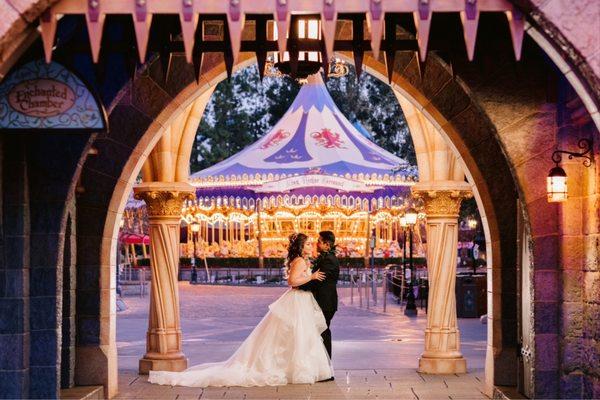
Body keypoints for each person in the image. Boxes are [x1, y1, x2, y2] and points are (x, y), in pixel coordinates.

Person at [148, 233, 333, 387]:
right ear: (301, 247)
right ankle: (293, 367)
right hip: (296, 300)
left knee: (294, 335)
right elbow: (292, 282)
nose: (312, 245)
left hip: (300, 301)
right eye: (308, 243)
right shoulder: (300, 261)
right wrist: (312, 277)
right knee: (295, 334)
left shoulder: (301, 260)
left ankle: (293, 366)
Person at [298, 230, 340, 379]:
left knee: (323, 333)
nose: (317, 243)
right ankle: (322, 368)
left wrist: (299, 285)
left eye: (319, 241)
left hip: (325, 302)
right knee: (321, 333)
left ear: (327, 244)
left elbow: (318, 280)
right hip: (324, 301)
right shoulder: (326, 258)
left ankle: (326, 371)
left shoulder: (329, 260)